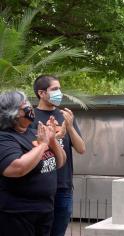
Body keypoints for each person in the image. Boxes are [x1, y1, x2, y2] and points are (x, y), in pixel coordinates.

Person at [0, 91, 66, 236]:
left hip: (45, 210)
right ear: (13, 113)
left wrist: (52, 139)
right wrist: (43, 145)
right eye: (25, 105)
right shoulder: (5, 138)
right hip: (18, 214)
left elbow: (60, 162)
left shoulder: (33, 132)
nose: (30, 107)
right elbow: (16, 168)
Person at [31, 75, 86, 236]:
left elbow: (81, 149)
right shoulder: (31, 117)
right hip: (40, 187)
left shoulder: (65, 116)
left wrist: (69, 127)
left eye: (59, 89)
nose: (59, 93)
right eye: (54, 89)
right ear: (41, 93)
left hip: (64, 187)